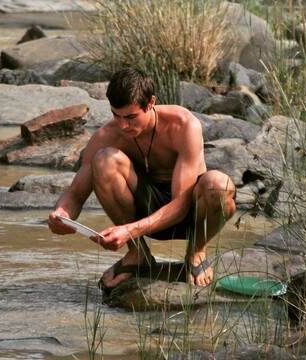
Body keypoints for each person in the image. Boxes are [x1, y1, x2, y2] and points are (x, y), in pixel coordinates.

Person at [48, 67, 236, 289]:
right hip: (143, 210)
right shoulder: (106, 136)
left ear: (151, 103)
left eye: (130, 117)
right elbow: (75, 194)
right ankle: (138, 254)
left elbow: (181, 205)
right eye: (116, 116)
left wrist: (129, 230)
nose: (123, 125)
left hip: (190, 214)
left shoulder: (183, 124)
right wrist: (62, 213)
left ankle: (196, 251)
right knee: (104, 159)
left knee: (219, 186)